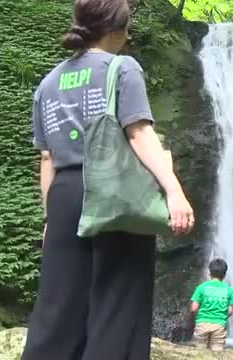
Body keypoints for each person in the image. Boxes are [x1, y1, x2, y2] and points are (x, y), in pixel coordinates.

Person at [22, 0, 194, 359]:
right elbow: (138, 134)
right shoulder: (122, 68)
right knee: (119, 303)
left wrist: (50, 218)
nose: (129, 35)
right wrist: (173, 190)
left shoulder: (48, 83)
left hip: (65, 195)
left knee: (59, 308)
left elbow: (47, 157)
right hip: (116, 194)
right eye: (127, 27)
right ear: (115, 29)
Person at [189, 258, 233, 352]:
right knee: (217, 351)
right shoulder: (228, 290)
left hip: (202, 323)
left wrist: (199, 317)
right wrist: (222, 317)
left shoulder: (201, 287)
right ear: (225, 274)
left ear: (209, 273)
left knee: (200, 351)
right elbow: (230, 311)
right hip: (219, 324)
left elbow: (194, 308)